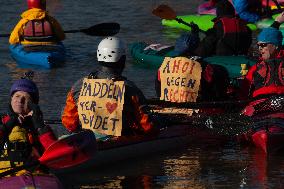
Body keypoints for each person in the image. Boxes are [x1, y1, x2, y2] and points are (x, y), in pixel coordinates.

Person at [61, 37, 158, 140]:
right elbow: (147, 126)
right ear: (123, 60)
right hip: (118, 142)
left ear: (99, 58)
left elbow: (69, 123)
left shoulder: (79, 85)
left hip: (87, 140)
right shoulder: (129, 88)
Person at [0, 78, 57, 175]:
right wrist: (8, 125)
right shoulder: (2, 122)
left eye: (26, 98)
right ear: (11, 99)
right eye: (17, 96)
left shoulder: (39, 127)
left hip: (34, 177)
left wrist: (39, 126)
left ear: (33, 104)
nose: (20, 100)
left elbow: (55, 154)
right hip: (5, 177)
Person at [240, 12, 284, 116]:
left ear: (276, 46)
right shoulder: (256, 68)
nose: (260, 49)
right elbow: (244, 94)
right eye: (259, 45)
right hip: (260, 107)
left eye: (263, 45)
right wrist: (277, 22)